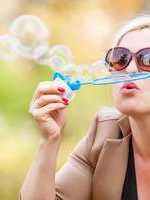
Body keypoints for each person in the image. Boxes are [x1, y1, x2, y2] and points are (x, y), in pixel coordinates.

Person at [20, 15, 150, 200]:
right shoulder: (104, 133)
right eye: (120, 58)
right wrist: (49, 140)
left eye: (147, 59)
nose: (129, 70)